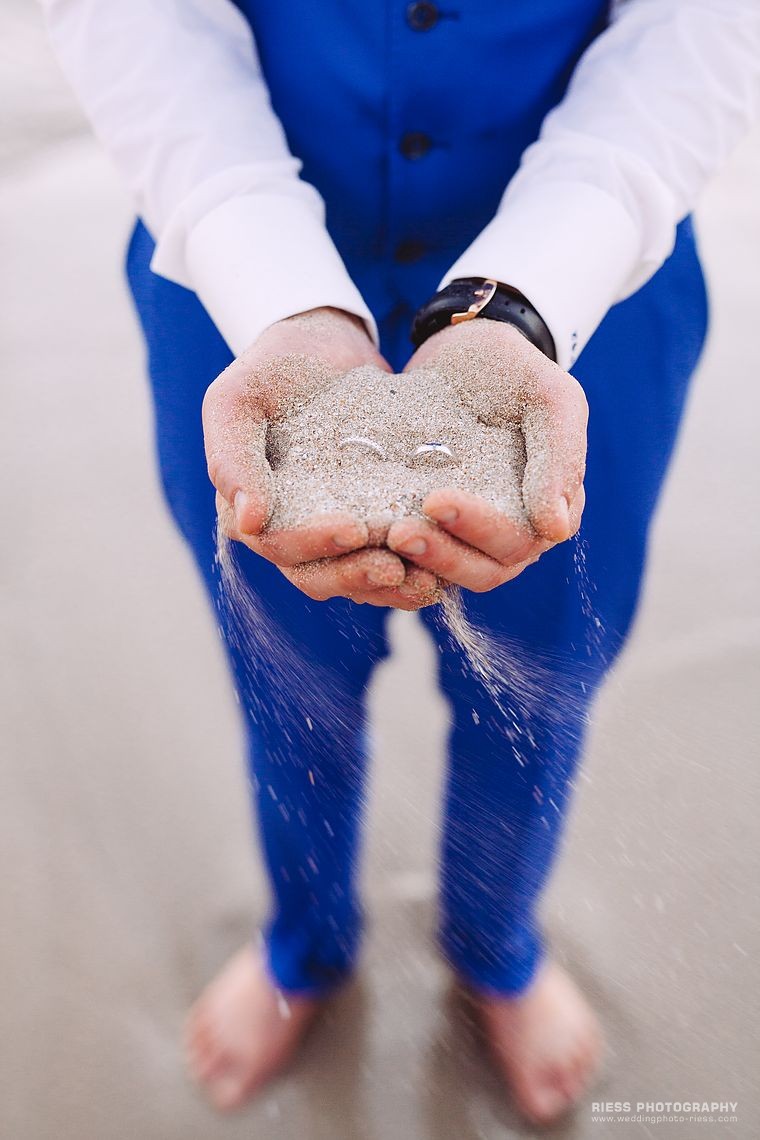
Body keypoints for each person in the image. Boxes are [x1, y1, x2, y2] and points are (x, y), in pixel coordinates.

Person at [43, 0, 759, 1125]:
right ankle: (307, 944)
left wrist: (528, 297)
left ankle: (493, 944)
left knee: (542, 673)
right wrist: (276, 290)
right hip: (226, 270)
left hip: (595, 293)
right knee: (284, 672)